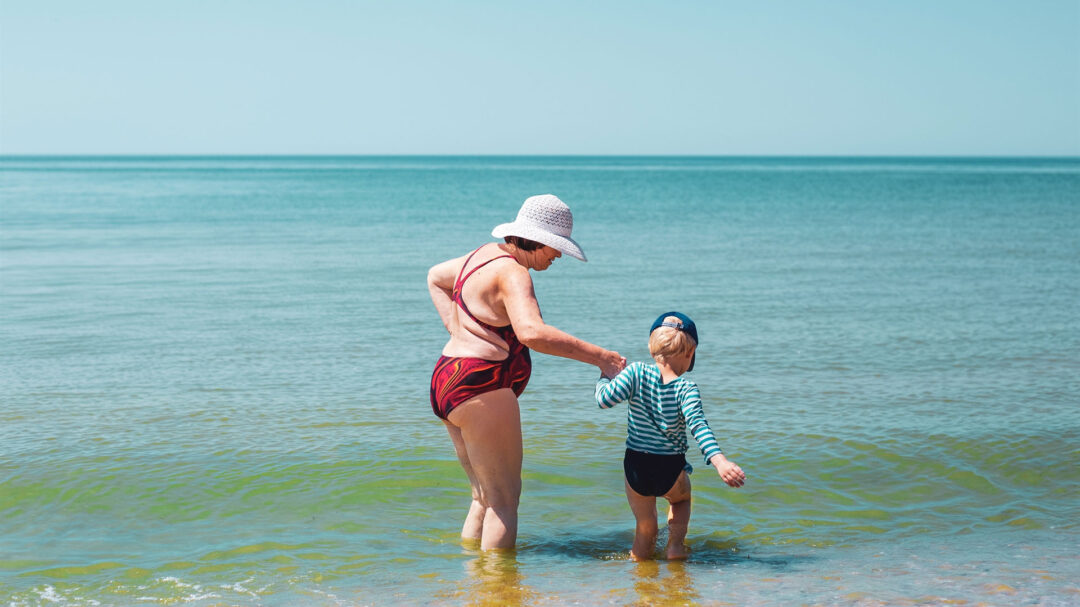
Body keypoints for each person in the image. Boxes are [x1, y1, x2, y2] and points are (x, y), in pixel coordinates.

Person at [428, 194, 626, 550]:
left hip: (447, 378)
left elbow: (435, 278)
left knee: (483, 498)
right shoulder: (513, 273)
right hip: (481, 387)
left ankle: (474, 584)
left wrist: (457, 330)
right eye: (556, 247)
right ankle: (500, 594)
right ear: (538, 241)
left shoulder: (480, 256)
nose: (558, 255)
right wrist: (602, 359)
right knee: (504, 503)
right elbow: (532, 333)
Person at [595, 312, 745, 560]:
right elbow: (699, 426)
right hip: (669, 466)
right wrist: (720, 461)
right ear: (690, 354)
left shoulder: (634, 373)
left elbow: (603, 400)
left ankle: (641, 571)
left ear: (652, 348)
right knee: (680, 501)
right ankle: (675, 546)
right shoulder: (687, 388)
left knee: (645, 526)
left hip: (636, 465)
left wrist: (605, 375)